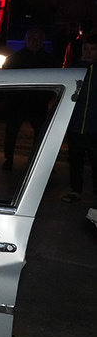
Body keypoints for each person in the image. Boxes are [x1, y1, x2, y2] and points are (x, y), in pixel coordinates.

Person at [1, 28, 57, 171]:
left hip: (37, 103)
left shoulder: (48, 60)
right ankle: (9, 159)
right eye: (31, 38)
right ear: (26, 40)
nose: (34, 42)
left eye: (38, 39)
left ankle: (37, 160)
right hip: (17, 102)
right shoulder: (14, 59)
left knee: (40, 134)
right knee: (12, 133)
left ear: (43, 41)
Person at [62, 33, 97, 214]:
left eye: (93, 49)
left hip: (94, 127)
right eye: (86, 49)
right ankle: (76, 190)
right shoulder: (75, 69)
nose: (88, 53)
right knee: (75, 159)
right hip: (75, 125)